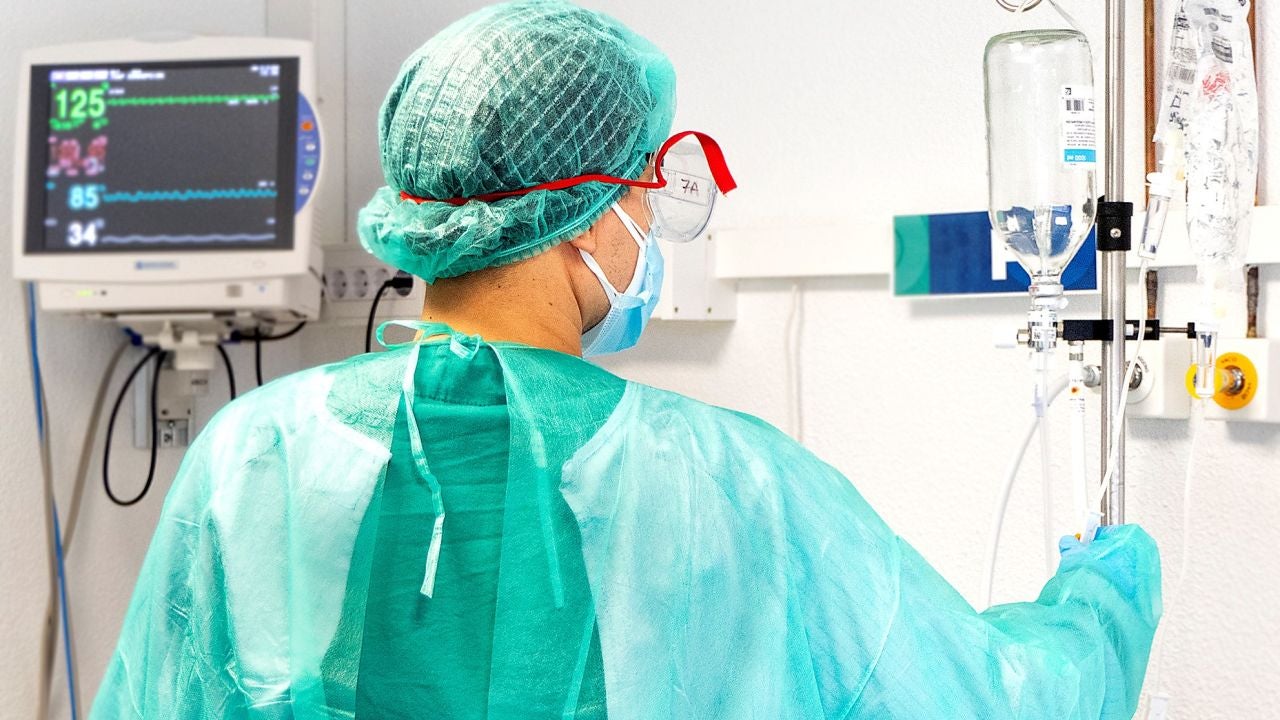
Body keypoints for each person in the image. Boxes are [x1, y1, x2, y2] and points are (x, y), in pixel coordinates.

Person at [91, 1, 1161, 718]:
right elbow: (982, 699)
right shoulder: (721, 483)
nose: (650, 218)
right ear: (584, 216)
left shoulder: (253, 453)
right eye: (644, 189)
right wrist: (1100, 598)